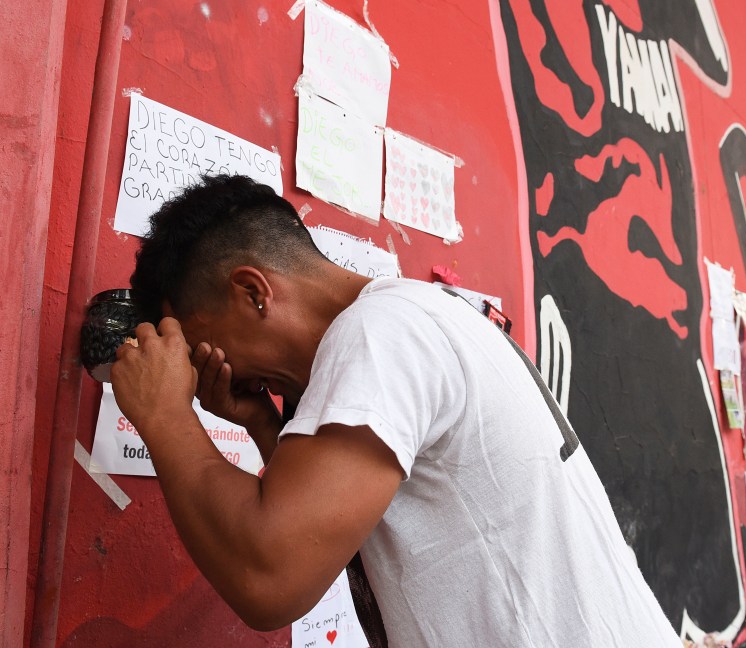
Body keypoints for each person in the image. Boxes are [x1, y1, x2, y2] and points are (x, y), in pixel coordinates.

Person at [110, 174, 681, 646]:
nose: (211, 366)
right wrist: (263, 423)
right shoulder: (417, 317)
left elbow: (272, 576)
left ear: (253, 292)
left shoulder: (379, 334)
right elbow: (328, 530)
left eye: (201, 344)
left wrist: (165, 418)